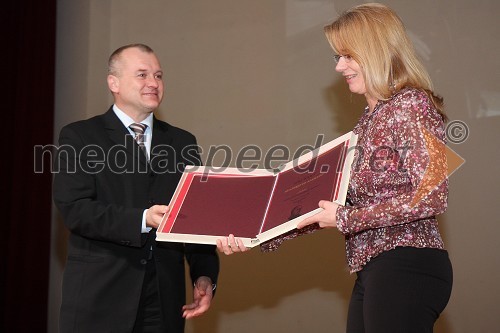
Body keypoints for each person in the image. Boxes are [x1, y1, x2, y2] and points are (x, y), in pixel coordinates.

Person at [218, 3, 453, 333]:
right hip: (372, 269)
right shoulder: (363, 125)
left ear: (374, 51)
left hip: (408, 263)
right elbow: (323, 205)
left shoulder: (414, 103)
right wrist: (258, 234)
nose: (340, 66)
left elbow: (434, 196)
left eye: (348, 55)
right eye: (337, 57)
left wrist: (345, 218)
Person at [53, 43, 219, 333]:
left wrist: (204, 274)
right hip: (101, 297)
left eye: (158, 75)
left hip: (164, 301)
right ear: (113, 83)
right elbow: (75, 209)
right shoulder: (80, 136)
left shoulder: (182, 142)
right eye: (142, 75)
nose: (153, 83)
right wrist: (142, 219)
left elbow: (194, 215)